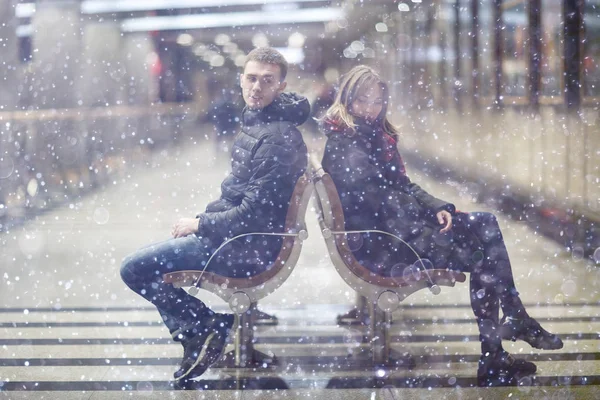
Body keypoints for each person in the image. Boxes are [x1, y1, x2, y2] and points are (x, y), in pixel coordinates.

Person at [319, 65, 562, 387]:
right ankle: (500, 344)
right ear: (347, 99)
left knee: (486, 224)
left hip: (393, 234)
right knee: (484, 252)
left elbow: (400, 186)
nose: (372, 108)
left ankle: (507, 334)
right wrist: (428, 223)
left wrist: (438, 209)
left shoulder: (367, 136)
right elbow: (383, 203)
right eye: (364, 100)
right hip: (386, 246)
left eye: (378, 101)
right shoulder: (349, 143)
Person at [120, 47, 309, 383]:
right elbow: (243, 199)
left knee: (134, 269)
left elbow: (254, 214)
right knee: (152, 265)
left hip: (243, 248)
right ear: (241, 80)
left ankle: (205, 328)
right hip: (237, 239)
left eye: (267, 81)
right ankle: (201, 331)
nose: (257, 87)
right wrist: (204, 221)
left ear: (281, 86)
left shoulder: (276, 139)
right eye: (251, 78)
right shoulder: (264, 124)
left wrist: (201, 224)